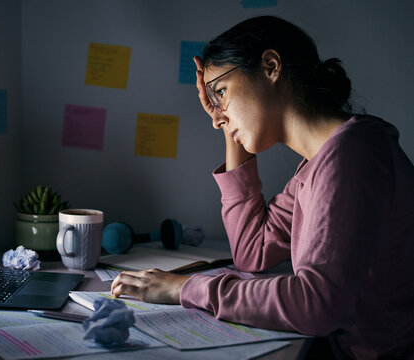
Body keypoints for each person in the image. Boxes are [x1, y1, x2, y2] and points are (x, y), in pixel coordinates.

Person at [111, 16, 414, 359]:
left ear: (270, 66)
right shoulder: (320, 165)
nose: (214, 116)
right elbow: (252, 251)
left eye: (220, 93)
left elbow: (318, 304)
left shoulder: (353, 156)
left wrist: (185, 287)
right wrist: (229, 122)